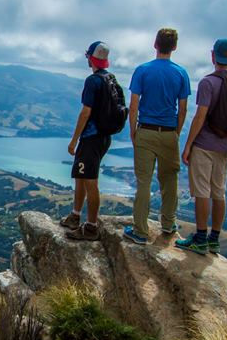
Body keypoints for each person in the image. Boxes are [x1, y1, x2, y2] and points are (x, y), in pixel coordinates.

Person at [123, 28, 190, 244]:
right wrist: (176, 133)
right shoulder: (181, 73)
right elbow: (183, 108)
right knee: (170, 181)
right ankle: (168, 225)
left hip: (146, 131)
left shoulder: (142, 70)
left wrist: (133, 131)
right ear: (175, 47)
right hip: (169, 133)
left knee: (143, 182)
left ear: (155, 44)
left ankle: (141, 232)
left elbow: (133, 106)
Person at [176, 38, 227, 255]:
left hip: (204, 145)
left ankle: (200, 238)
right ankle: (214, 239)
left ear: (213, 56)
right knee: (219, 192)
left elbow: (200, 115)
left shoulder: (208, 83)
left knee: (202, 192)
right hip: (224, 146)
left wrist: (188, 145)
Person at [62, 41, 114, 240]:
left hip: (91, 138)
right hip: (103, 138)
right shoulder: (111, 79)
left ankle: (91, 227)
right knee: (81, 176)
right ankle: (75, 216)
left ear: (90, 57)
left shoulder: (93, 81)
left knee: (90, 181)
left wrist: (74, 140)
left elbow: (85, 112)